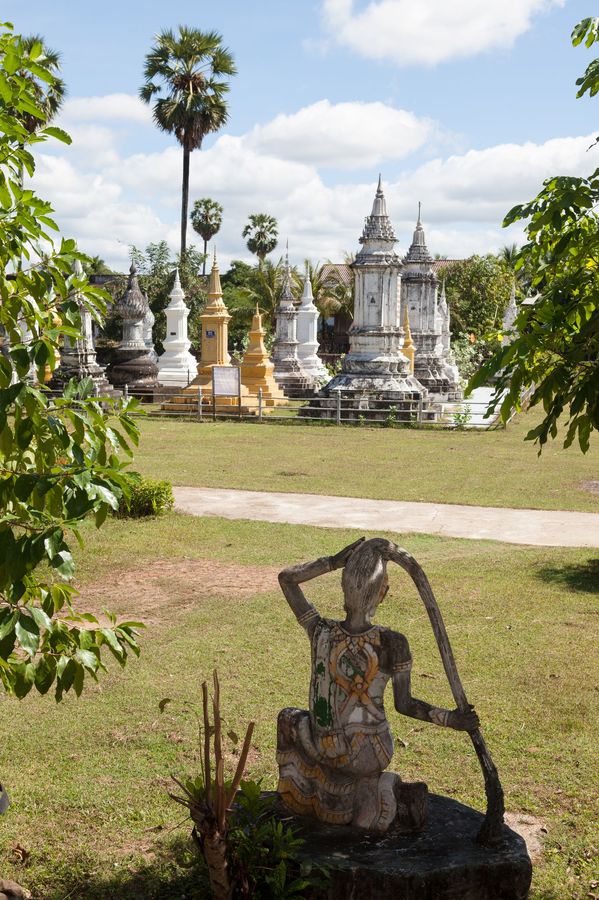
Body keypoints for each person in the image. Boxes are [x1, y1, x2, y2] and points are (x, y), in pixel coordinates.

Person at [276, 537, 479, 832]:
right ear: (382, 594)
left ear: (343, 587)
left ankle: (344, 797)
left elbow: (287, 579)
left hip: (326, 746)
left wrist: (332, 562)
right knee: (359, 810)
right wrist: (451, 719)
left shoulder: (320, 631)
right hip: (370, 752)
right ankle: (380, 793)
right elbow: (405, 705)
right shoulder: (392, 643)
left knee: (288, 719)